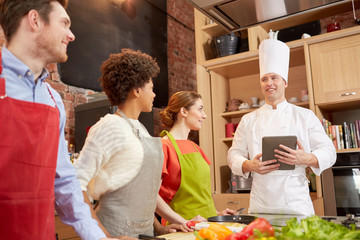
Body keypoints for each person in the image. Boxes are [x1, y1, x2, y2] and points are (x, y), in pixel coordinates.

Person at [0, 0, 124, 239]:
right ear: (35, 20)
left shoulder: (52, 100)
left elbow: (64, 180)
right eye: (64, 23)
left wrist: (98, 237)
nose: (71, 35)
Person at [75, 49, 187, 238]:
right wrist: (106, 237)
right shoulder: (108, 127)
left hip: (146, 232)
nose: (153, 95)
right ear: (136, 90)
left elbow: (140, 193)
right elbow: (76, 186)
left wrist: (159, 228)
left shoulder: (139, 128)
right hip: (114, 231)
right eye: (150, 88)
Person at [227, 35, 337, 215]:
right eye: (264, 79)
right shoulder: (248, 120)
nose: (269, 83)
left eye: (274, 78)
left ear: (285, 82)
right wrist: (248, 165)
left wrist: (304, 158)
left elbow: (329, 152)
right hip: (261, 205)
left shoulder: (304, 116)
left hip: (296, 204)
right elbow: (233, 155)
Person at [157, 91, 236, 225]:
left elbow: (197, 196)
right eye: (200, 109)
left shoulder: (194, 147)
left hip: (207, 224)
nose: (204, 116)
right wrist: (184, 222)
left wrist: (216, 214)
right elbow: (152, 198)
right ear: (184, 111)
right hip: (181, 229)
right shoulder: (163, 147)